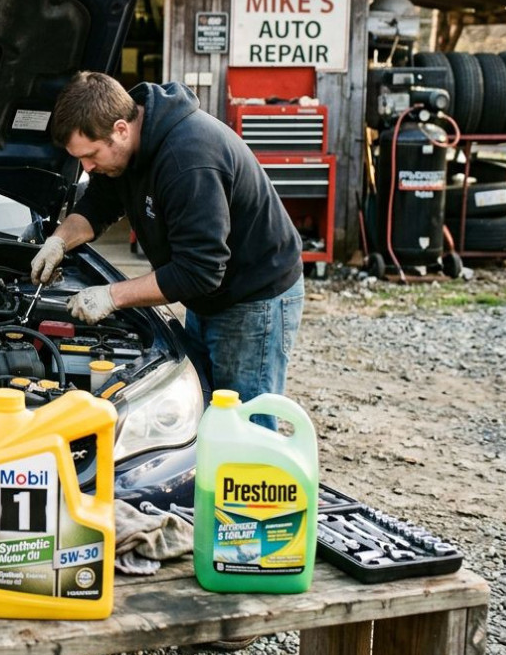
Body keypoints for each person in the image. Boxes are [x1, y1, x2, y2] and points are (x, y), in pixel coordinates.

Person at [31, 71, 305, 412]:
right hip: (210, 296)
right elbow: (98, 205)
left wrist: (112, 295)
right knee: (205, 414)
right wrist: (57, 241)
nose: (87, 167)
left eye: (91, 155)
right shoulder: (127, 148)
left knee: (243, 426)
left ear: (120, 128)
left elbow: (198, 271)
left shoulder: (187, 160)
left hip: (254, 298)